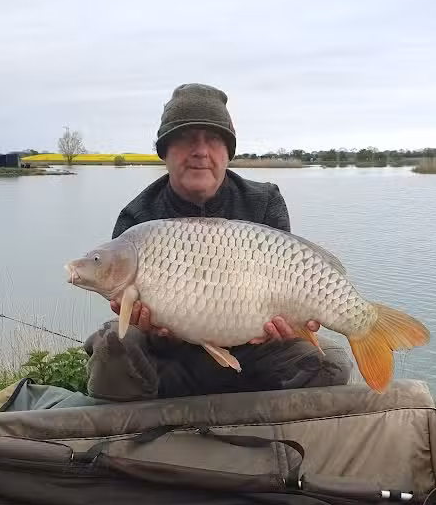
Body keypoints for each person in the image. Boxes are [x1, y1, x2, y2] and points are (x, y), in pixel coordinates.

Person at [83, 82, 354, 401]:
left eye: (212, 139)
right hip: (169, 362)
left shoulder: (264, 202)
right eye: (185, 139)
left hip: (251, 358)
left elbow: (284, 298)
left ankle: (245, 414)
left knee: (332, 363)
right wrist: (154, 331)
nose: (200, 151)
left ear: (228, 152)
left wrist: (284, 330)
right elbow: (136, 322)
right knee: (114, 343)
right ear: (165, 152)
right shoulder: (136, 219)